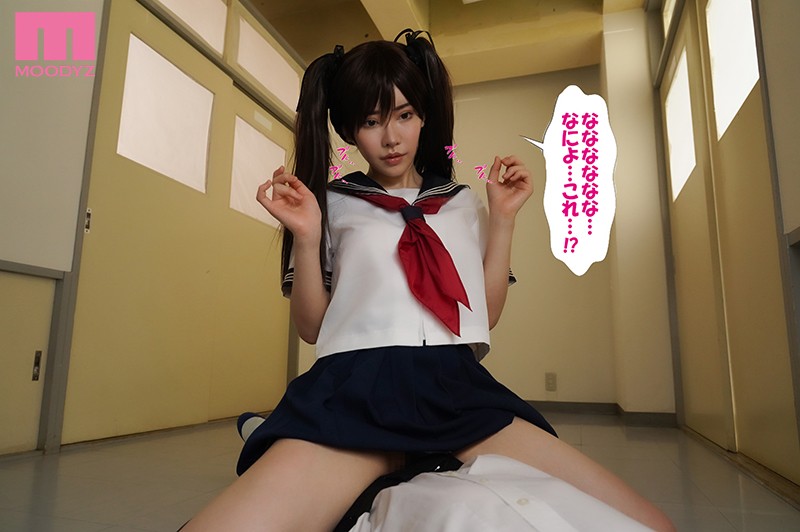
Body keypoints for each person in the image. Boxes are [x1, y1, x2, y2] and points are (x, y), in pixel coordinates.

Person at [184, 30, 674, 531]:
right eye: (371, 121)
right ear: (350, 131)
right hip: (355, 390)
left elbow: (484, 315)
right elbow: (311, 328)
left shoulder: (462, 202)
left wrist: (503, 220)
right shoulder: (326, 203)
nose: (391, 138)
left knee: (649, 523)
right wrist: (307, 237)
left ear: (423, 116)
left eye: (404, 115)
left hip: (455, 391)